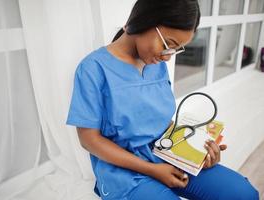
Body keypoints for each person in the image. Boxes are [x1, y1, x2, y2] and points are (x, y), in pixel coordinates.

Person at [66, 0, 259, 199]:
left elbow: (160, 120)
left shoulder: (155, 63)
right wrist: (151, 169)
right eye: (169, 44)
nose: (168, 57)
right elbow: (89, 140)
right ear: (145, 21)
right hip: (122, 171)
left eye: (177, 49)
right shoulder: (93, 68)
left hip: (166, 153)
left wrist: (198, 154)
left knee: (242, 194)